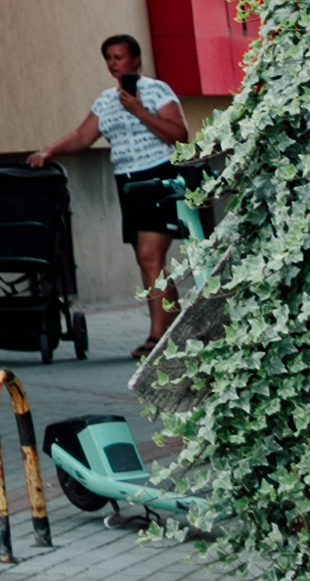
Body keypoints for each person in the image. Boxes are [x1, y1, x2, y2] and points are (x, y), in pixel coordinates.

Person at [30, 32, 195, 347]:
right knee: (148, 261)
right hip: (127, 183)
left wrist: (139, 111)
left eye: (119, 57)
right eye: (108, 58)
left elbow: (179, 134)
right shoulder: (106, 100)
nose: (113, 63)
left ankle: (157, 338)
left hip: (158, 178)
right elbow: (82, 136)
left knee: (149, 257)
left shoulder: (157, 91)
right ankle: (177, 329)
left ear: (136, 60)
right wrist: (49, 151)